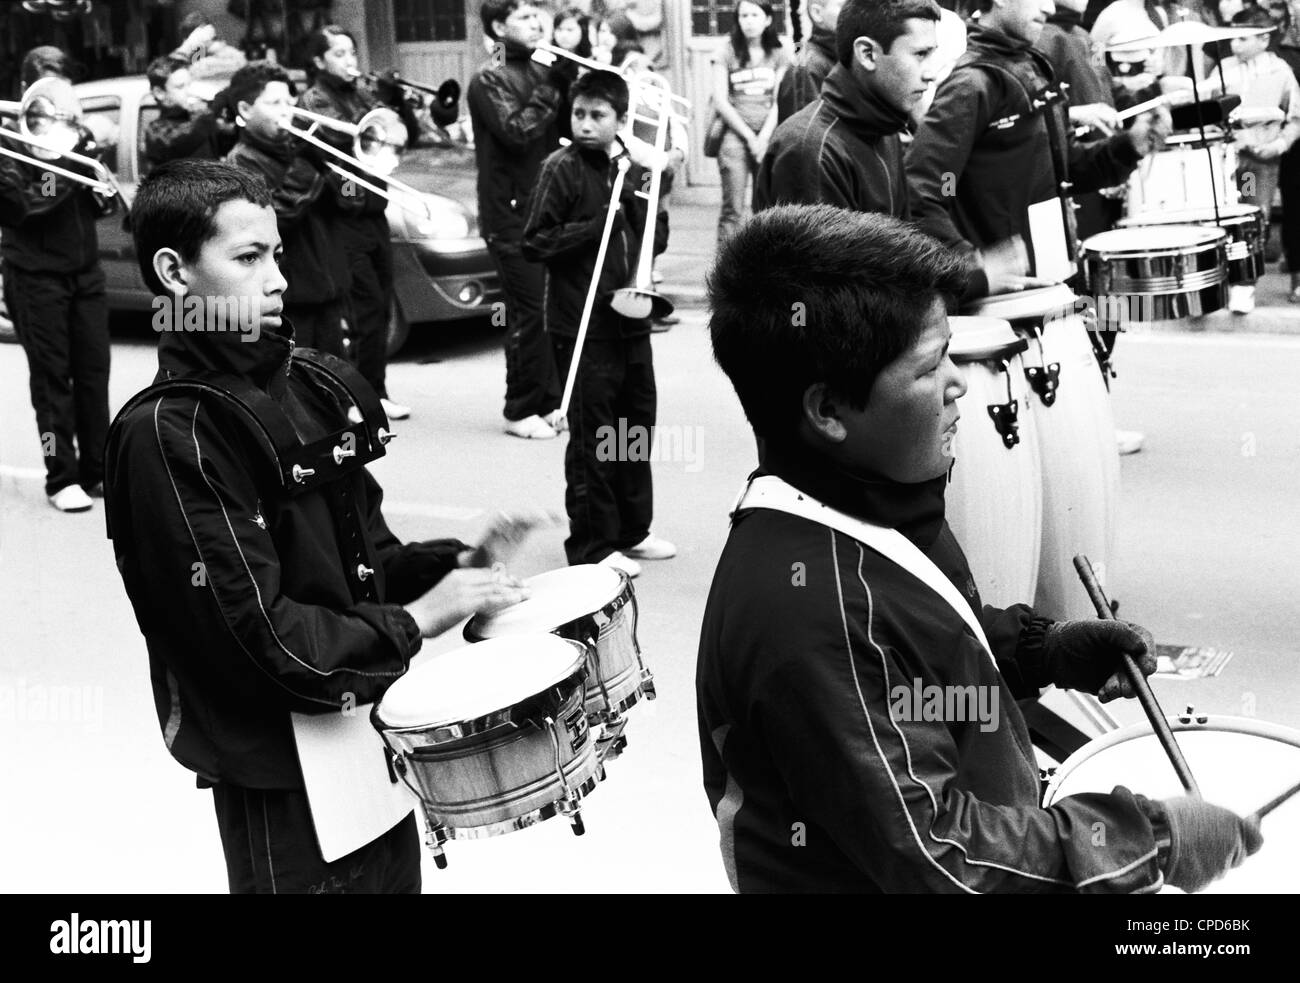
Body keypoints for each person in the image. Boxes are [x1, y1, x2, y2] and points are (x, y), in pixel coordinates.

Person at [698, 202, 1264, 892]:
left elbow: (921, 674)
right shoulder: (811, 610)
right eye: (931, 365)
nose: (959, 382)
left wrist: (1039, 649)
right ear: (826, 411)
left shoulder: (872, 501)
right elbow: (939, 853)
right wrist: (1149, 840)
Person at [102, 158, 549, 893]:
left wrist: (456, 566)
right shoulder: (169, 434)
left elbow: (363, 558)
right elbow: (264, 641)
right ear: (174, 273)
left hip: (367, 749)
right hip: (282, 783)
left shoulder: (308, 385)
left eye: (275, 253)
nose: (278, 278)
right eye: (248, 258)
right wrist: (417, 620)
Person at [522, 70, 675, 578]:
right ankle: (592, 544)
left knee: (633, 426)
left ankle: (633, 530)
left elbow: (653, 239)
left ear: (621, 120)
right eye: (579, 114)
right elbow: (536, 241)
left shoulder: (633, 168)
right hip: (580, 323)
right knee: (593, 434)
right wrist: (594, 226)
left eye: (598, 116)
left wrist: (650, 201)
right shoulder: (560, 167)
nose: (586, 124)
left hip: (629, 315)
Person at [908, 0, 1168, 299]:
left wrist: (1128, 146)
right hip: (1008, 305)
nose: (1049, 8)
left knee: (1119, 316)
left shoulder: (1033, 67)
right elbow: (934, 185)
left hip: (1053, 281)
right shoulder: (972, 84)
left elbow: (1067, 165)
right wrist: (971, 263)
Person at [0, 45, 117, 513]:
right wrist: (67, 159)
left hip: (84, 273)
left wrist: (93, 162)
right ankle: (60, 476)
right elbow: (25, 205)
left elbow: (103, 206)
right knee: (52, 384)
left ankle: (97, 470)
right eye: (44, 80)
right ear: (26, 87)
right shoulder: (10, 141)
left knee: (93, 376)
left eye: (60, 82)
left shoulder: (76, 139)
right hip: (34, 276)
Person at [468, 0, 573, 440]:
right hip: (509, 215)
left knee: (550, 308)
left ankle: (550, 400)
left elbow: (563, 130)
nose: (537, 24)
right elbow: (517, 132)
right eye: (525, 17)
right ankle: (519, 407)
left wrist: (575, 90)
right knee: (528, 311)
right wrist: (552, 88)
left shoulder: (539, 70)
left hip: (548, 207)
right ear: (498, 26)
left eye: (537, 15)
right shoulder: (488, 78)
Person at [299, 25, 411, 421]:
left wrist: (395, 100)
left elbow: (390, 135)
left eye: (352, 53)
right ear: (318, 61)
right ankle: (353, 397)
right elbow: (341, 136)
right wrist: (371, 109)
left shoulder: (360, 92)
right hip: (343, 217)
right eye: (340, 54)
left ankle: (375, 390)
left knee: (379, 307)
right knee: (362, 309)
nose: (351, 62)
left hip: (372, 212)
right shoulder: (314, 99)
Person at [755, 0, 941, 218]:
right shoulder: (812, 151)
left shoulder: (885, 126)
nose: (932, 73)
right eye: (920, 54)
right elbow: (823, 252)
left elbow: (902, 232)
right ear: (867, 54)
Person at [225, 61, 351, 358]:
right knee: (299, 395)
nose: (286, 110)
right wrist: (303, 165)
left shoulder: (301, 152)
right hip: (290, 303)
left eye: (288, 102)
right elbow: (274, 220)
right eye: (274, 103)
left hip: (329, 294)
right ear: (245, 110)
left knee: (336, 391)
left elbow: (351, 200)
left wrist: (341, 172)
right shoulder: (240, 162)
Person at [1207, 7, 1300, 309]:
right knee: (1224, 217)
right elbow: (1208, 109)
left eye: (1243, 38)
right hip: (1226, 159)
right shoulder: (1224, 69)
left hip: (1256, 163)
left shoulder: (1281, 72)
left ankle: (1243, 283)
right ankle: (1223, 280)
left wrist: (1277, 145)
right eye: (1232, 38)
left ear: (1263, 38)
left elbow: (1295, 118)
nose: (1235, 45)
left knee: (1249, 216)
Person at [712, 0, 791, 244]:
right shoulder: (725, 50)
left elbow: (781, 98)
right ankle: (724, 271)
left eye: (755, 15)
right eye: (743, 15)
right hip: (735, 135)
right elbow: (720, 100)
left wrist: (764, 137)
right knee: (733, 209)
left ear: (767, 19)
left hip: (770, 134)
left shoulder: (780, 50)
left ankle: (761, 269)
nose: (748, 21)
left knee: (767, 207)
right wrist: (749, 136)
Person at [142, 55, 222, 170]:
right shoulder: (156, 130)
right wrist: (206, 113)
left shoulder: (197, 119)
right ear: (159, 92)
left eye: (189, 85)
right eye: (180, 87)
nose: (189, 91)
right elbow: (177, 141)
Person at [777, 0, 844, 123]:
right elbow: (805, 135)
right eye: (843, 6)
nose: (852, 12)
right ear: (817, 13)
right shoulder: (807, 66)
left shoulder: (848, 56)